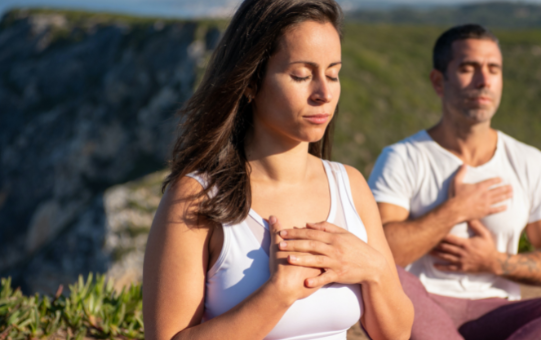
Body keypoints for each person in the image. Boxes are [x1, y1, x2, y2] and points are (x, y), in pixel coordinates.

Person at [141, 1, 414, 339]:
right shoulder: (196, 197)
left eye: (333, 73)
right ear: (251, 82)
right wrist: (277, 295)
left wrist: (374, 269)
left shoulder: (350, 185)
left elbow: (396, 334)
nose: (325, 93)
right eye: (301, 75)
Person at [368, 24, 541, 340]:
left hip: (498, 313)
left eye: (493, 69)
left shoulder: (529, 162)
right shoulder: (402, 157)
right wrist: (455, 210)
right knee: (389, 280)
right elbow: (379, 255)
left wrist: (494, 261)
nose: (483, 80)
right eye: (467, 68)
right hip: (422, 307)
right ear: (438, 81)